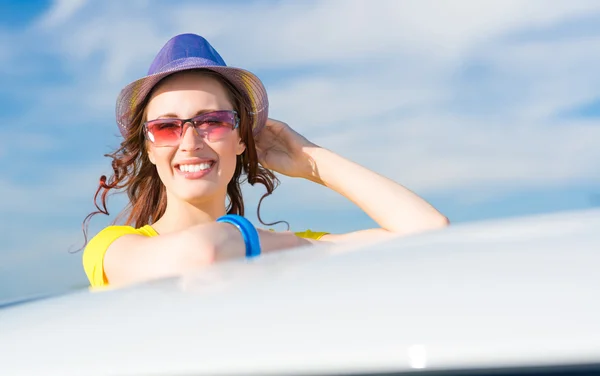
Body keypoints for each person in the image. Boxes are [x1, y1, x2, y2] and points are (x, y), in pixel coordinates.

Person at [81, 33, 449, 289]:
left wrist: (312, 161)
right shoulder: (112, 247)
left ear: (241, 138)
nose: (190, 142)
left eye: (213, 122)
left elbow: (428, 231)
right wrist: (304, 249)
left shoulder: (278, 246)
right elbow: (202, 253)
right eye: (167, 127)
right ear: (148, 147)